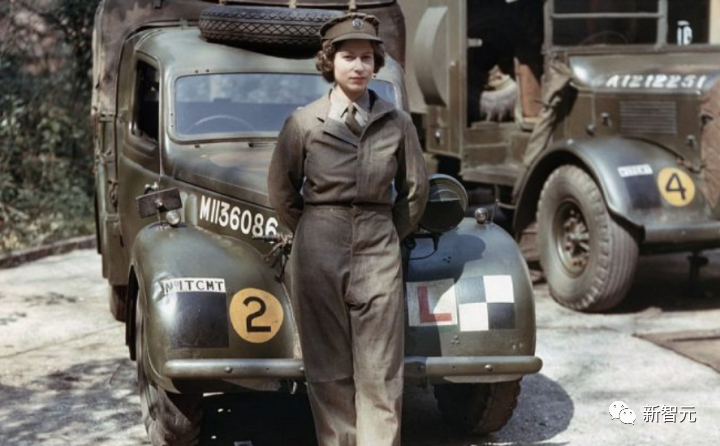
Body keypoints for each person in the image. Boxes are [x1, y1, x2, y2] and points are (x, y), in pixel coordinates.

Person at [267, 12, 428, 446]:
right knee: (328, 368)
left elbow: (415, 191)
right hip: (319, 246)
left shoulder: (397, 123)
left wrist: (386, 233)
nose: (358, 66)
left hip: (378, 246)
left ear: (377, 64)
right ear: (329, 62)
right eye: (348, 57)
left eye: (367, 58)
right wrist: (314, 230)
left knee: (381, 369)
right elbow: (282, 190)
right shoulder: (304, 122)